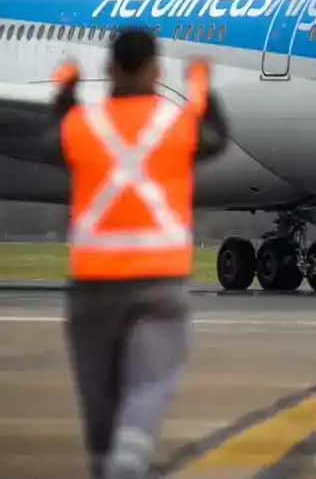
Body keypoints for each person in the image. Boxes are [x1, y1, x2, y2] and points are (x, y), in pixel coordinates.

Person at [43, 27, 229, 479]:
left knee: (99, 394)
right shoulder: (174, 123)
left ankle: (108, 460)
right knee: (151, 380)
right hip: (159, 280)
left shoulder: (84, 124)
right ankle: (131, 450)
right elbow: (215, 136)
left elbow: (51, 140)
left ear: (109, 68)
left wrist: (65, 91)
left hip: (93, 285)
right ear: (156, 71)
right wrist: (202, 87)